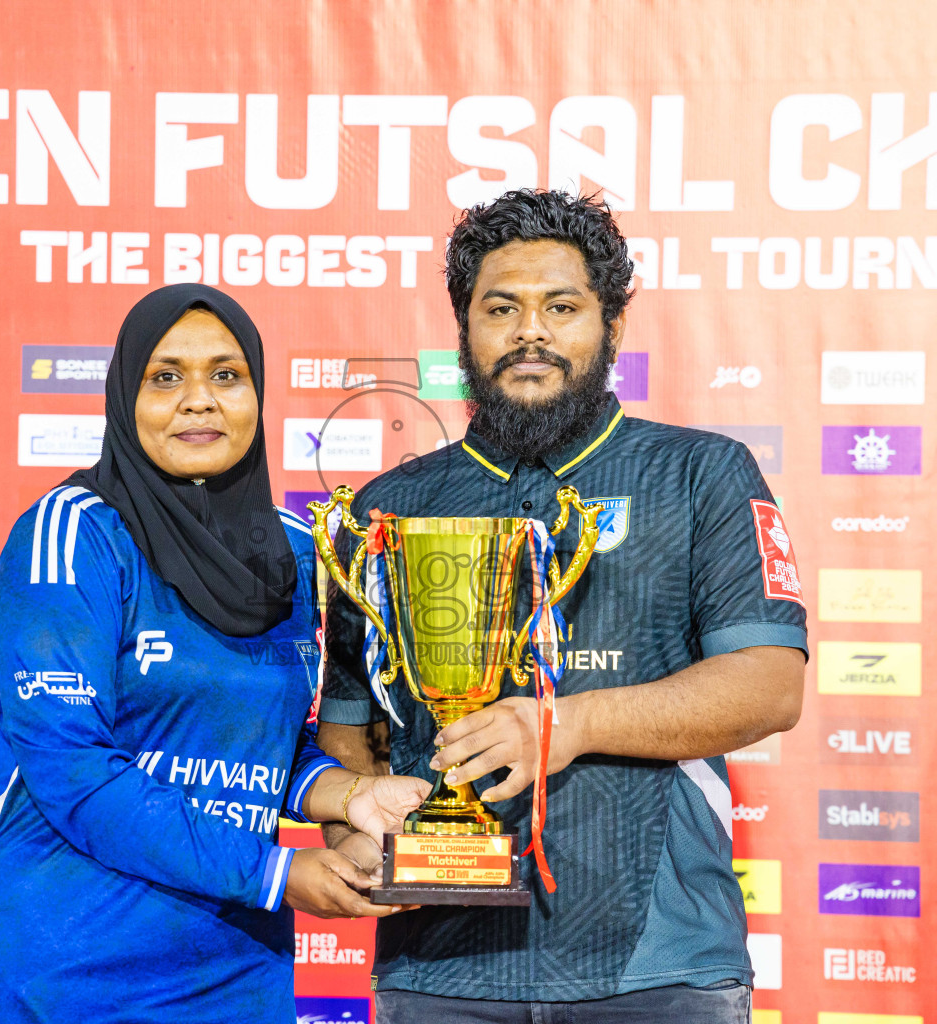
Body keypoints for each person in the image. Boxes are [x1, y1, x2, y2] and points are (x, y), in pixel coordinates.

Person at [318, 190, 807, 1024]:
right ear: (464, 328)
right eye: (500, 308)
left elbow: (769, 686)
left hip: (658, 969)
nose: (529, 332)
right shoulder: (384, 509)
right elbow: (349, 721)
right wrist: (357, 838)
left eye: (561, 307)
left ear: (611, 325)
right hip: (439, 969)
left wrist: (565, 726)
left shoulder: (701, 476)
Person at [0, 284, 429, 1024]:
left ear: (257, 394)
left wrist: (351, 796)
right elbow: (75, 769)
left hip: (234, 967)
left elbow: (262, 747)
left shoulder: (294, 550)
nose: (198, 400)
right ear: (124, 398)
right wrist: (275, 873)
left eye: (226, 375)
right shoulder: (71, 537)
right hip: (65, 966)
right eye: (165, 377)